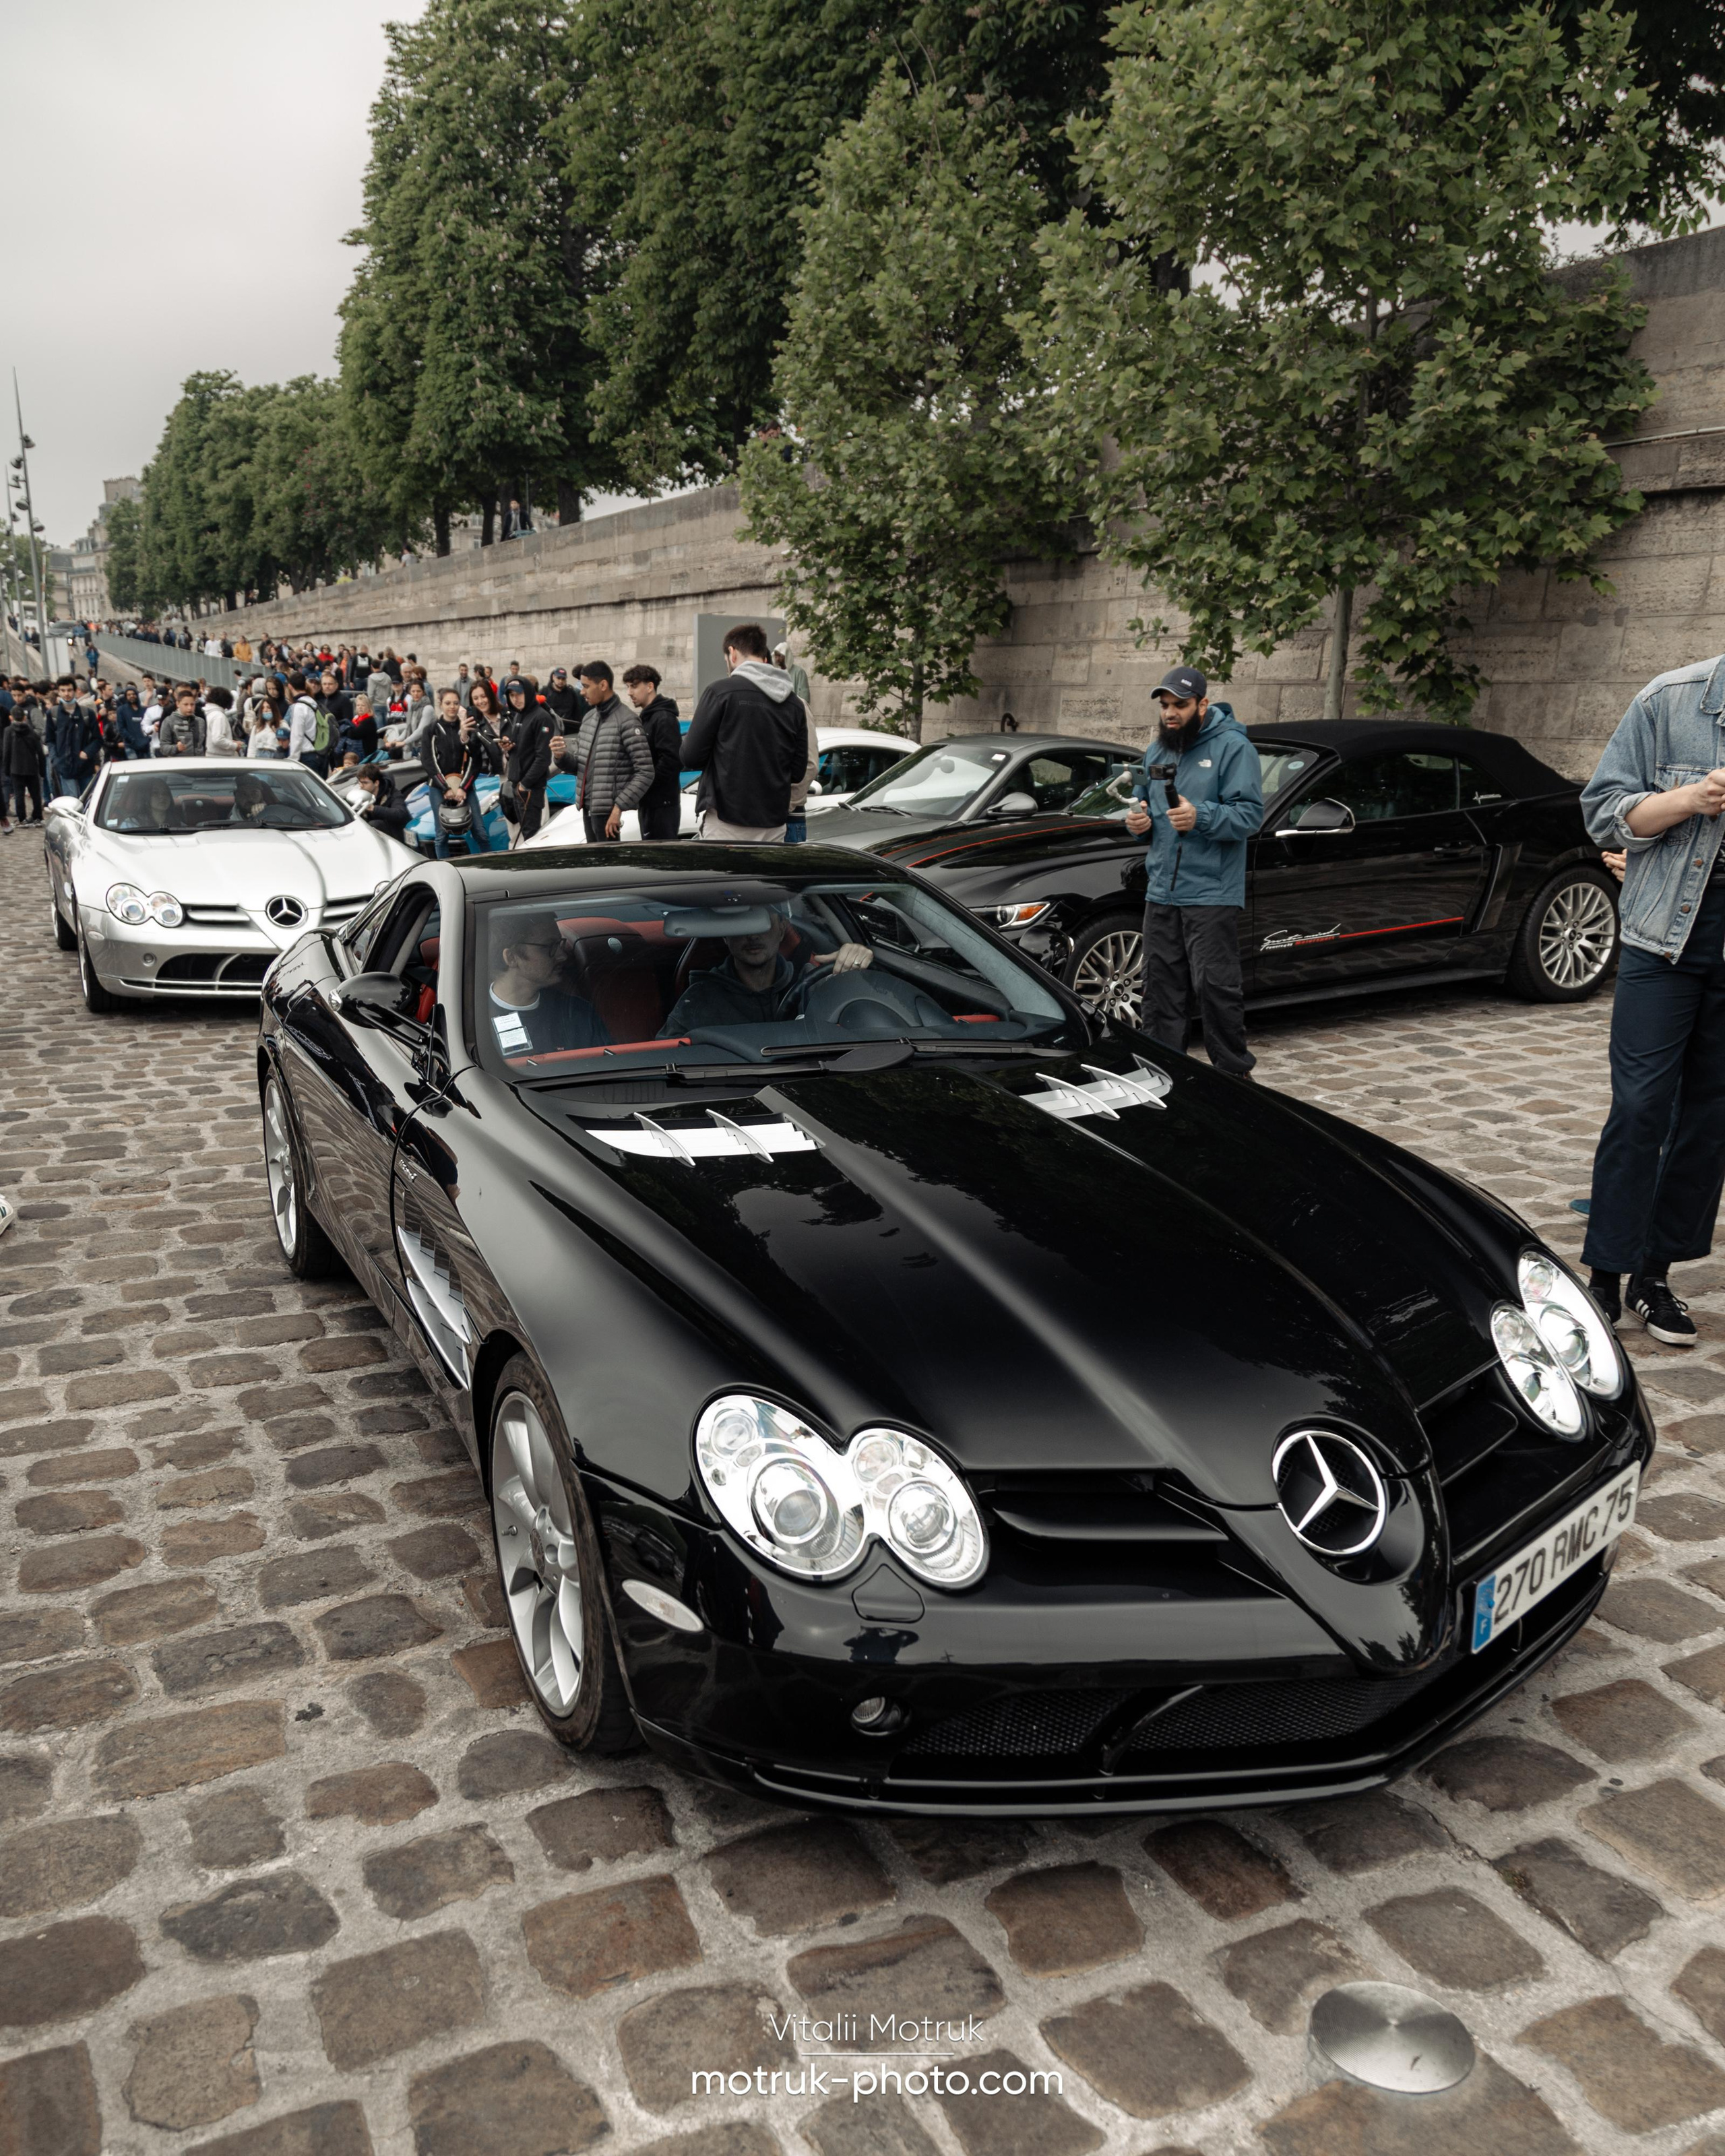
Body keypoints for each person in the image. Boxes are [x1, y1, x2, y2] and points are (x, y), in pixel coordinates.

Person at [1578, 656, 1725, 1345]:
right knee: (1639, 1106)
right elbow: (1603, 812)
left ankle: (1654, 1277)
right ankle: (1605, 1272)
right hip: (1661, 936)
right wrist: (1689, 800)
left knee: (1708, 1117)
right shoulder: (1670, 700)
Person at [1123, 666, 1263, 1079]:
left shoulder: (1234, 748)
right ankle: (1159, 1074)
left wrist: (1201, 816)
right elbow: (1141, 804)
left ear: (1203, 704)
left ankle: (1235, 1079)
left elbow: (1251, 815)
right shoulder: (1158, 750)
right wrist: (1138, 823)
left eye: (1180, 705)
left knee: (1216, 989)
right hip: (1161, 889)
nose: (1170, 713)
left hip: (1211, 891)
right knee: (1160, 990)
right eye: (1165, 705)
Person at [681, 623, 811, 841]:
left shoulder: (720, 692)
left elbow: (690, 756)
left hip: (726, 822)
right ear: (765, 656)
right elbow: (798, 772)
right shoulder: (794, 704)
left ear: (732, 653)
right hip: (774, 825)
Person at [662, 907, 872, 1032]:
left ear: (782, 929)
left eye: (761, 924)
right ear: (725, 936)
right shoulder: (700, 1000)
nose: (753, 936)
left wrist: (856, 967)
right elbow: (667, 1058)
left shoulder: (812, 985)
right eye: (742, 924)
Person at [551, 662, 652, 841]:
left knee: (609, 868)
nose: (582, 692)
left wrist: (619, 808)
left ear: (603, 685)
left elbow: (645, 772)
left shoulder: (627, 721)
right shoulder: (589, 718)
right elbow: (580, 767)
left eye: (586, 686)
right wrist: (561, 756)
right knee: (593, 867)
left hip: (611, 816)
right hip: (589, 809)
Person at [487, 913, 610, 1058]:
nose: (562, 955)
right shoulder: (471, 1022)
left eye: (559, 944)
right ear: (512, 958)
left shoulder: (579, 1013)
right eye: (549, 947)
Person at [429, 688, 503, 858]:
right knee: (441, 835)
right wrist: (446, 788)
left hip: (465, 786)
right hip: (439, 787)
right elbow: (430, 762)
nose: (452, 707)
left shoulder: (467, 727)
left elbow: (474, 760)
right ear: (441, 705)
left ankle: (489, 866)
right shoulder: (432, 729)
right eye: (448, 703)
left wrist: (463, 787)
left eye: (456, 703)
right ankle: (444, 871)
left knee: (480, 831)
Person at [623, 665, 684, 840]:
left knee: (660, 861)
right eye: (628, 686)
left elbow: (672, 761)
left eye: (634, 686)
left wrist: (644, 785)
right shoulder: (646, 717)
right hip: (650, 803)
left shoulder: (664, 718)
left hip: (662, 805)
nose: (629, 692)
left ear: (650, 687)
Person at [501, 676, 553, 840]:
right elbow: (522, 750)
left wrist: (525, 785)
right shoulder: (519, 716)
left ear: (528, 693)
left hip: (530, 789)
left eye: (519, 694)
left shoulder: (542, 717)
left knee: (532, 837)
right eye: (511, 696)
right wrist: (509, 749)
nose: (515, 699)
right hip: (518, 786)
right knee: (525, 836)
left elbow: (543, 758)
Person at [48, 676, 99, 793]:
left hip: (84, 766)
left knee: (87, 801)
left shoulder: (87, 713)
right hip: (65, 766)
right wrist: (55, 759)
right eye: (63, 690)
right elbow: (50, 740)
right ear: (59, 692)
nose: (67, 694)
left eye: (69, 690)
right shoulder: (53, 714)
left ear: (75, 691)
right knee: (71, 802)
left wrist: (87, 752)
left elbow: (98, 739)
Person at [1, 703, 45, 825]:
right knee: (35, 794)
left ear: (11, 717)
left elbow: (6, 752)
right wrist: (42, 769)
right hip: (31, 766)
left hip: (16, 768)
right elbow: (40, 752)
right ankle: (38, 815)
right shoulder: (32, 731)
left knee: (19, 794)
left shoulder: (8, 731)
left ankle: (22, 818)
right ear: (25, 718)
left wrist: (6, 769)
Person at [350, 763, 410, 840]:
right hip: (371, 837)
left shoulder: (392, 794)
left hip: (394, 837)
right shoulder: (361, 794)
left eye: (365, 783)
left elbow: (401, 813)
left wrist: (374, 809)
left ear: (376, 783)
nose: (361, 786)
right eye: (360, 782)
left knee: (375, 824)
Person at [156, 685, 206, 757]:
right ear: (178, 704)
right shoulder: (168, 721)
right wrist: (176, 748)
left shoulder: (201, 721)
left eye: (192, 704)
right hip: (178, 764)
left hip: (199, 763)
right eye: (186, 704)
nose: (189, 708)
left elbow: (204, 744)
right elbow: (163, 748)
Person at [203, 685, 238, 757]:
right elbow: (218, 739)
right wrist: (234, 746)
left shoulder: (207, 713)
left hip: (210, 754)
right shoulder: (219, 716)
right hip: (221, 756)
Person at [544, 664, 580, 730]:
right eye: (559, 678)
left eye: (563, 679)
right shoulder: (545, 692)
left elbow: (576, 711)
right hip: (551, 726)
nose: (561, 681)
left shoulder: (571, 692)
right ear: (553, 677)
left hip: (568, 727)